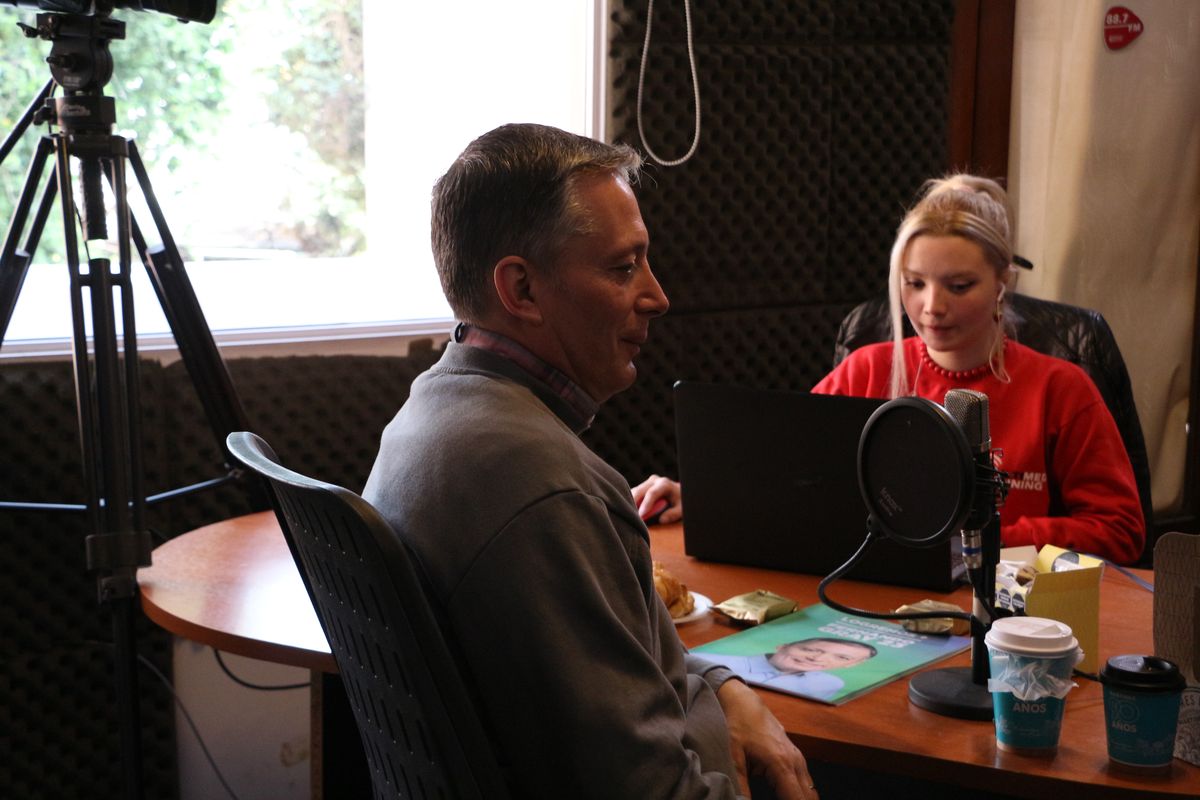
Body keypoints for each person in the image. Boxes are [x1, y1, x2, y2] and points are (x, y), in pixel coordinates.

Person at [363, 123, 817, 799]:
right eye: (623, 267)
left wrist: (727, 691)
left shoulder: (427, 415)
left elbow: (620, 666)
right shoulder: (543, 487)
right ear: (521, 290)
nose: (657, 296)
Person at [634, 175, 1144, 565]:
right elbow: (787, 479)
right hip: (884, 602)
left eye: (959, 286)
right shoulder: (864, 370)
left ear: (1001, 283)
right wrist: (702, 495)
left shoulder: (1062, 388)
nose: (931, 307)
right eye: (914, 283)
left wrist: (984, 536)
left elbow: (1119, 531)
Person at [708, 639, 878, 703]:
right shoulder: (709, 662)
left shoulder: (829, 683)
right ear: (782, 645)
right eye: (809, 650)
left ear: (851, 665)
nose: (817, 659)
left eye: (842, 658)